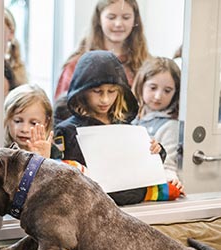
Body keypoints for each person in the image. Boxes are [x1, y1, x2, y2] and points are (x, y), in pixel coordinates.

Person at [54, 50, 183, 205]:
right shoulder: (65, 131)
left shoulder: (126, 126)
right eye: (97, 91)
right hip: (87, 207)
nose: (105, 99)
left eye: (112, 91)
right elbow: (58, 176)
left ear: (120, 91)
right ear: (82, 91)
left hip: (132, 207)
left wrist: (156, 152)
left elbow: (140, 169)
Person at [54, 0, 149, 101]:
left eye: (126, 17)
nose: (118, 24)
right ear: (99, 18)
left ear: (135, 20)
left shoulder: (146, 64)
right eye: (111, 17)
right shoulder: (77, 65)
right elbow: (61, 110)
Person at [131, 57, 181, 182]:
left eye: (167, 91)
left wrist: (171, 180)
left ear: (175, 92)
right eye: (153, 88)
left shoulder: (170, 126)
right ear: (141, 85)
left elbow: (168, 167)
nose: (158, 96)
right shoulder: (132, 119)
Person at [3, 83, 62, 159]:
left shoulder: (54, 153)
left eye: (33, 123)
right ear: (7, 119)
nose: (24, 129)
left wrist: (43, 160)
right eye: (17, 121)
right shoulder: (1, 153)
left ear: (46, 122)